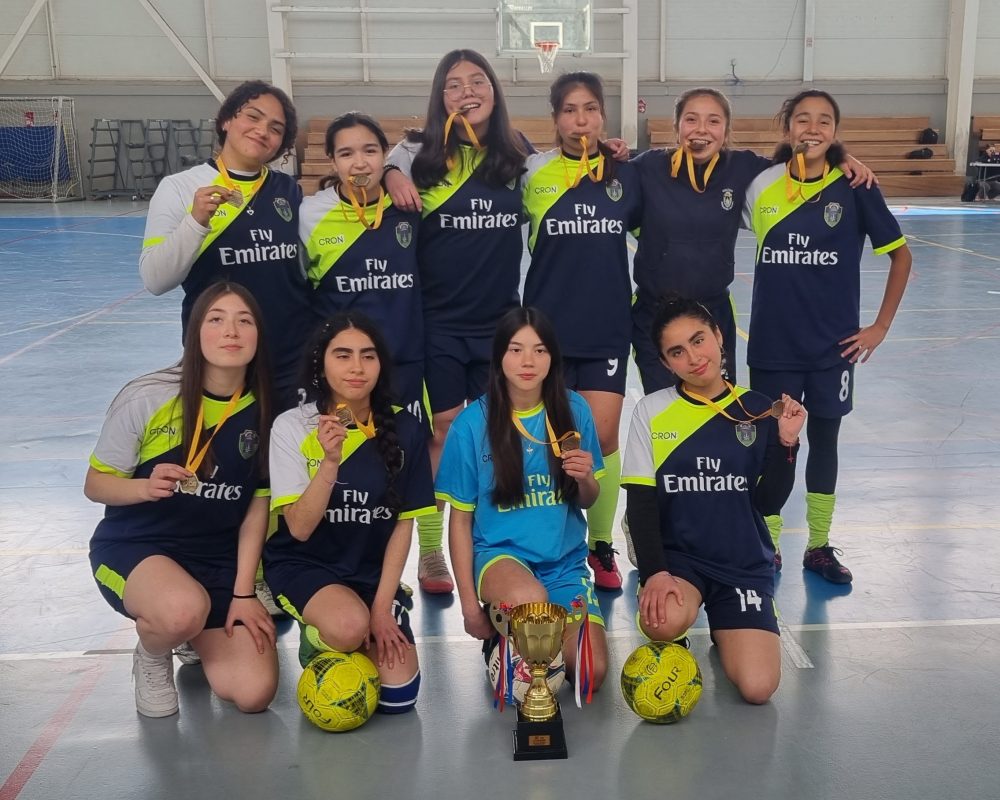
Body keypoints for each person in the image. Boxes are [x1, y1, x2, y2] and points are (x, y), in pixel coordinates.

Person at [85, 281, 277, 718]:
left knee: (253, 693)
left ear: (259, 336)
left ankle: (187, 627)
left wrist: (245, 592)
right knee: (179, 611)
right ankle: (155, 650)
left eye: (244, 321)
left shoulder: (266, 407)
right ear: (195, 332)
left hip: (214, 559)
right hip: (138, 548)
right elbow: (95, 484)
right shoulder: (148, 396)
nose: (231, 331)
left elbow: (255, 509)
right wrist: (143, 487)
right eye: (216, 320)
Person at [743, 89, 912, 583]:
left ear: (836, 132)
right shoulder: (762, 185)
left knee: (825, 441)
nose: (812, 128)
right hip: (774, 347)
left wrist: (879, 327)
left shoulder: (856, 188)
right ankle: (767, 541)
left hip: (832, 349)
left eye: (823, 121)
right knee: (774, 445)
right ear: (786, 127)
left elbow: (900, 254)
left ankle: (818, 546)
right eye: (802, 119)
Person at [383, 49, 529, 594]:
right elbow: (376, 162)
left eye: (477, 81)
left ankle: (497, 543)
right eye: (453, 85)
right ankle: (430, 552)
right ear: (440, 97)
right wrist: (394, 169)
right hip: (438, 325)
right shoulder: (419, 152)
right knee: (440, 434)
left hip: (498, 326)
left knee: (499, 435)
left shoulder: (517, 154)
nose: (466, 91)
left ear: (494, 90)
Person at [621, 295, 806, 704]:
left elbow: (769, 502)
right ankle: (687, 617)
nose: (693, 357)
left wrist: (786, 443)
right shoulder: (652, 411)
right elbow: (641, 503)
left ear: (719, 337)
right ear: (667, 363)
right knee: (662, 623)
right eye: (677, 352)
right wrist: (655, 572)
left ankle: (730, 629)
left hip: (741, 563)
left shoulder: (758, 410)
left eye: (699, 340)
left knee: (759, 689)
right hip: (681, 562)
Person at [630, 87, 875, 394]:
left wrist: (841, 156)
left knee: (719, 411)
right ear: (677, 126)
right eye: (691, 119)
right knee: (667, 410)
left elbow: (804, 162)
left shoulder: (745, 169)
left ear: (727, 131)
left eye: (714, 121)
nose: (702, 129)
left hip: (711, 314)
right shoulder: (647, 168)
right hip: (656, 314)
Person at [263, 312, 435, 715]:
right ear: (321, 364)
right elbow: (300, 529)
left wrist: (380, 609)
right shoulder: (292, 426)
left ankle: (380, 612)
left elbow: (403, 527)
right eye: (343, 355)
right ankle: (321, 637)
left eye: (367, 356)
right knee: (347, 627)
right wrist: (329, 462)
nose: (357, 367)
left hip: (371, 574)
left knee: (398, 699)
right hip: (303, 564)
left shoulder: (406, 429)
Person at [436, 307, 609, 691]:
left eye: (540, 350)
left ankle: (518, 636)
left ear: (553, 358)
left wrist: (583, 479)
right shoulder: (471, 424)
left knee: (589, 673)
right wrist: (467, 607)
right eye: (516, 349)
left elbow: (587, 500)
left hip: (564, 564)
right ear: (499, 357)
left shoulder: (574, 410)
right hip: (502, 559)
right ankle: (502, 632)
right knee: (531, 602)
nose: (528, 361)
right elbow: (460, 521)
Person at [521, 71, 642, 591]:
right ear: (555, 119)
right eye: (570, 110)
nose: (581, 119)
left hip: (607, 325)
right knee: (546, 440)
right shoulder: (531, 174)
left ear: (603, 117)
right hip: (545, 331)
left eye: (590, 108)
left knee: (603, 435)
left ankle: (599, 543)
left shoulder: (626, 175)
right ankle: (550, 539)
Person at [139, 79, 313, 408]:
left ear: (281, 144)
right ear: (226, 120)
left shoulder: (289, 190)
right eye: (253, 116)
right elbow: (155, 279)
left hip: (290, 359)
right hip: (222, 358)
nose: (263, 130)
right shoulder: (180, 188)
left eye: (276, 128)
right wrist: (196, 222)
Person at [300, 112, 426, 425]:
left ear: (385, 154)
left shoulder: (410, 206)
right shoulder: (310, 214)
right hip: (344, 369)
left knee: (406, 454)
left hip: (405, 363)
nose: (359, 163)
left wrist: (394, 173)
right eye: (346, 153)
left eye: (370, 151)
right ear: (332, 161)